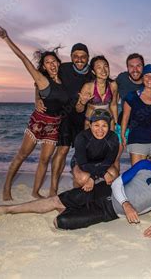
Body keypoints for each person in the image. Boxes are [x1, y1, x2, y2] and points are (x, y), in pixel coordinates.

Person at [0, 143, 151, 238]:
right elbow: (117, 183)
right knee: (56, 200)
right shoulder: (143, 166)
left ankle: (68, 210)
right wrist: (127, 203)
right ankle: (9, 209)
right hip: (104, 191)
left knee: (60, 222)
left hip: (109, 211)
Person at [0, 26, 69, 201]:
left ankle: (35, 191)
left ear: (58, 63)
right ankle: (6, 188)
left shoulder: (64, 80)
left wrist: (36, 97)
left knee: (44, 160)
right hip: (38, 122)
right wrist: (6, 38)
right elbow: (23, 58)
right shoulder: (42, 80)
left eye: (54, 61)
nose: (52, 64)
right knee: (22, 154)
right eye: (48, 62)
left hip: (54, 125)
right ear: (43, 66)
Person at [36, 43, 93, 196]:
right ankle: (53, 190)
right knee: (63, 150)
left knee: (83, 152)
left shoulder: (92, 75)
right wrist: (37, 98)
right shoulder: (63, 68)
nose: (79, 59)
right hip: (65, 116)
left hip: (84, 118)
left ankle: (80, 184)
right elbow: (40, 80)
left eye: (83, 56)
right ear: (71, 57)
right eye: (76, 56)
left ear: (88, 58)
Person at [115, 53, 151, 145]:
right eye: (131, 66)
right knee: (116, 154)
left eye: (138, 66)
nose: (135, 70)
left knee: (150, 156)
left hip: (145, 126)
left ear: (143, 67)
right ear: (127, 67)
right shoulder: (122, 78)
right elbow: (111, 89)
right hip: (124, 123)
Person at [121, 64, 151, 165]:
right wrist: (123, 135)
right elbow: (125, 117)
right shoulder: (131, 96)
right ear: (142, 78)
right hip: (137, 140)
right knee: (138, 174)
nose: (150, 79)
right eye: (146, 75)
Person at [76, 55, 118, 129]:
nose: (104, 70)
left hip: (109, 123)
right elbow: (78, 110)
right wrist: (83, 103)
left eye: (105, 66)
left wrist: (116, 124)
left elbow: (113, 105)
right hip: (91, 124)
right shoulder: (88, 87)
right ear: (93, 71)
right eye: (99, 67)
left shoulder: (113, 85)